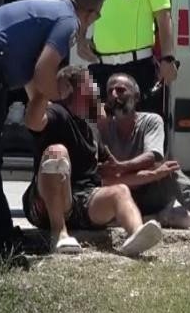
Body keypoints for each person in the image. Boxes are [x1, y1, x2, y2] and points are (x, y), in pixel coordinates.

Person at [0, 0, 104, 263]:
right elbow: (44, 74)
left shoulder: (53, 11)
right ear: (90, 13)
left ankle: (0, 235)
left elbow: (33, 81)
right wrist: (60, 96)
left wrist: (45, 104)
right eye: (97, 16)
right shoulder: (67, 21)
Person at [22, 66, 164, 257]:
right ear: (76, 88)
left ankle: (136, 235)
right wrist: (44, 91)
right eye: (91, 83)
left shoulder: (91, 130)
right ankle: (59, 234)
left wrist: (153, 175)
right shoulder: (58, 114)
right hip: (46, 203)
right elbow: (33, 122)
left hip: (83, 203)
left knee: (120, 190)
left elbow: (113, 171)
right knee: (57, 152)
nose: (97, 88)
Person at [97, 73, 190, 230]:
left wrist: (122, 167)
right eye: (110, 91)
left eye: (120, 90)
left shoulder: (151, 121)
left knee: (169, 169)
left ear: (136, 96)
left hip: (148, 192)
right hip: (120, 194)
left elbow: (153, 157)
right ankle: (166, 217)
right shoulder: (102, 127)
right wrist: (145, 173)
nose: (114, 95)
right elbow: (104, 177)